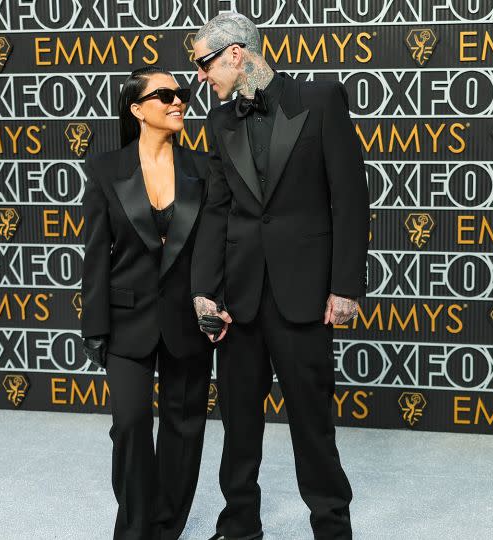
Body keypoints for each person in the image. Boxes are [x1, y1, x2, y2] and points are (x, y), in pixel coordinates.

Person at [189, 13, 369, 540]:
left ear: (235, 53)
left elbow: (349, 198)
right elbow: (217, 213)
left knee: (313, 425)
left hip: (305, 293)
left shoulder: (320, 100)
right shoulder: (219, 123)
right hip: (241, 298)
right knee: (239, 426)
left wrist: (346, 286)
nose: (200, 77)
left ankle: (332, 527)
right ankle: (239, 524)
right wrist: (205, 291)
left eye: (204, 64)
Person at [80, 66, 215, 540]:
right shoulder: (105, 170)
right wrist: (94, 326)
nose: (177, 101)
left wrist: (215, 304)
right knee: (131, 425)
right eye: (163, 95)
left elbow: (216, 246)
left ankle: (166, 528)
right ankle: (135, 528)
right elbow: (95, 252)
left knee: (183, 430)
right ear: (137, 109)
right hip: (125, 320)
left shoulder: (203, 168)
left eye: (180, 94)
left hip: (187, 321)